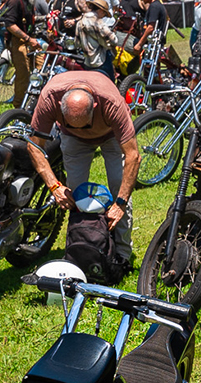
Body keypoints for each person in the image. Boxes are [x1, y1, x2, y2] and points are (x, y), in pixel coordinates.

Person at [26, 72, 140, 265]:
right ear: (60, 108)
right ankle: (82, 248)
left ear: (94, 107)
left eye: (83, 124)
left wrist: (119, 203)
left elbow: (133, 156)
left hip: (111, 135)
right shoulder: (50, 98)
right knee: (77, 198)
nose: (81, 129)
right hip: (72, 140)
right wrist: (55, 187)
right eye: (72, 123)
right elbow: (34, 146)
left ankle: (122, 256)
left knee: (119, 188)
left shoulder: (111, 103)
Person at [0, 0, 39, 110]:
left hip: (30, 40)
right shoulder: (15, 0)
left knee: (40, 70)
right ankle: (18, 108)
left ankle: (35, 103)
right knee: (24, 75)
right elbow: (9, 24)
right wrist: (28, 39)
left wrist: (45, 18)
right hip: (19, 42)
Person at [78, 0, 119, 76]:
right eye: (104, 13)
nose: (103, 16)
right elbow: (114, 40)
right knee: (110, 82)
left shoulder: (80, 21)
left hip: (87, 60)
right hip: (100, 60)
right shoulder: (98, 23)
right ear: (100, 10)